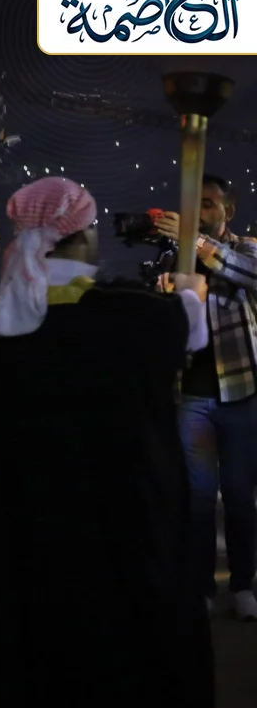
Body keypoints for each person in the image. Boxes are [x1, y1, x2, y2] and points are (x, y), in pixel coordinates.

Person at [0, 176, 213, 708]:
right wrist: (190, 293)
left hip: (41, 535)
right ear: (83, 236)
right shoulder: (135, 315)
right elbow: (189, 332)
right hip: (125, 530)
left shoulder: (3, 325)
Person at [155, 173, 257, 620]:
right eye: (194, 205)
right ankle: (201, 587)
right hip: (192, 396)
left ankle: (243, 585)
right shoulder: (172, 255)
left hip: (241, 393)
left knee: (239, 498)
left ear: (228, 211)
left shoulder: (247, 248)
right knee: (197, 500)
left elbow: (248, 273)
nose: (199, 213)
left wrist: (195, 244)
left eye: (209, 204)